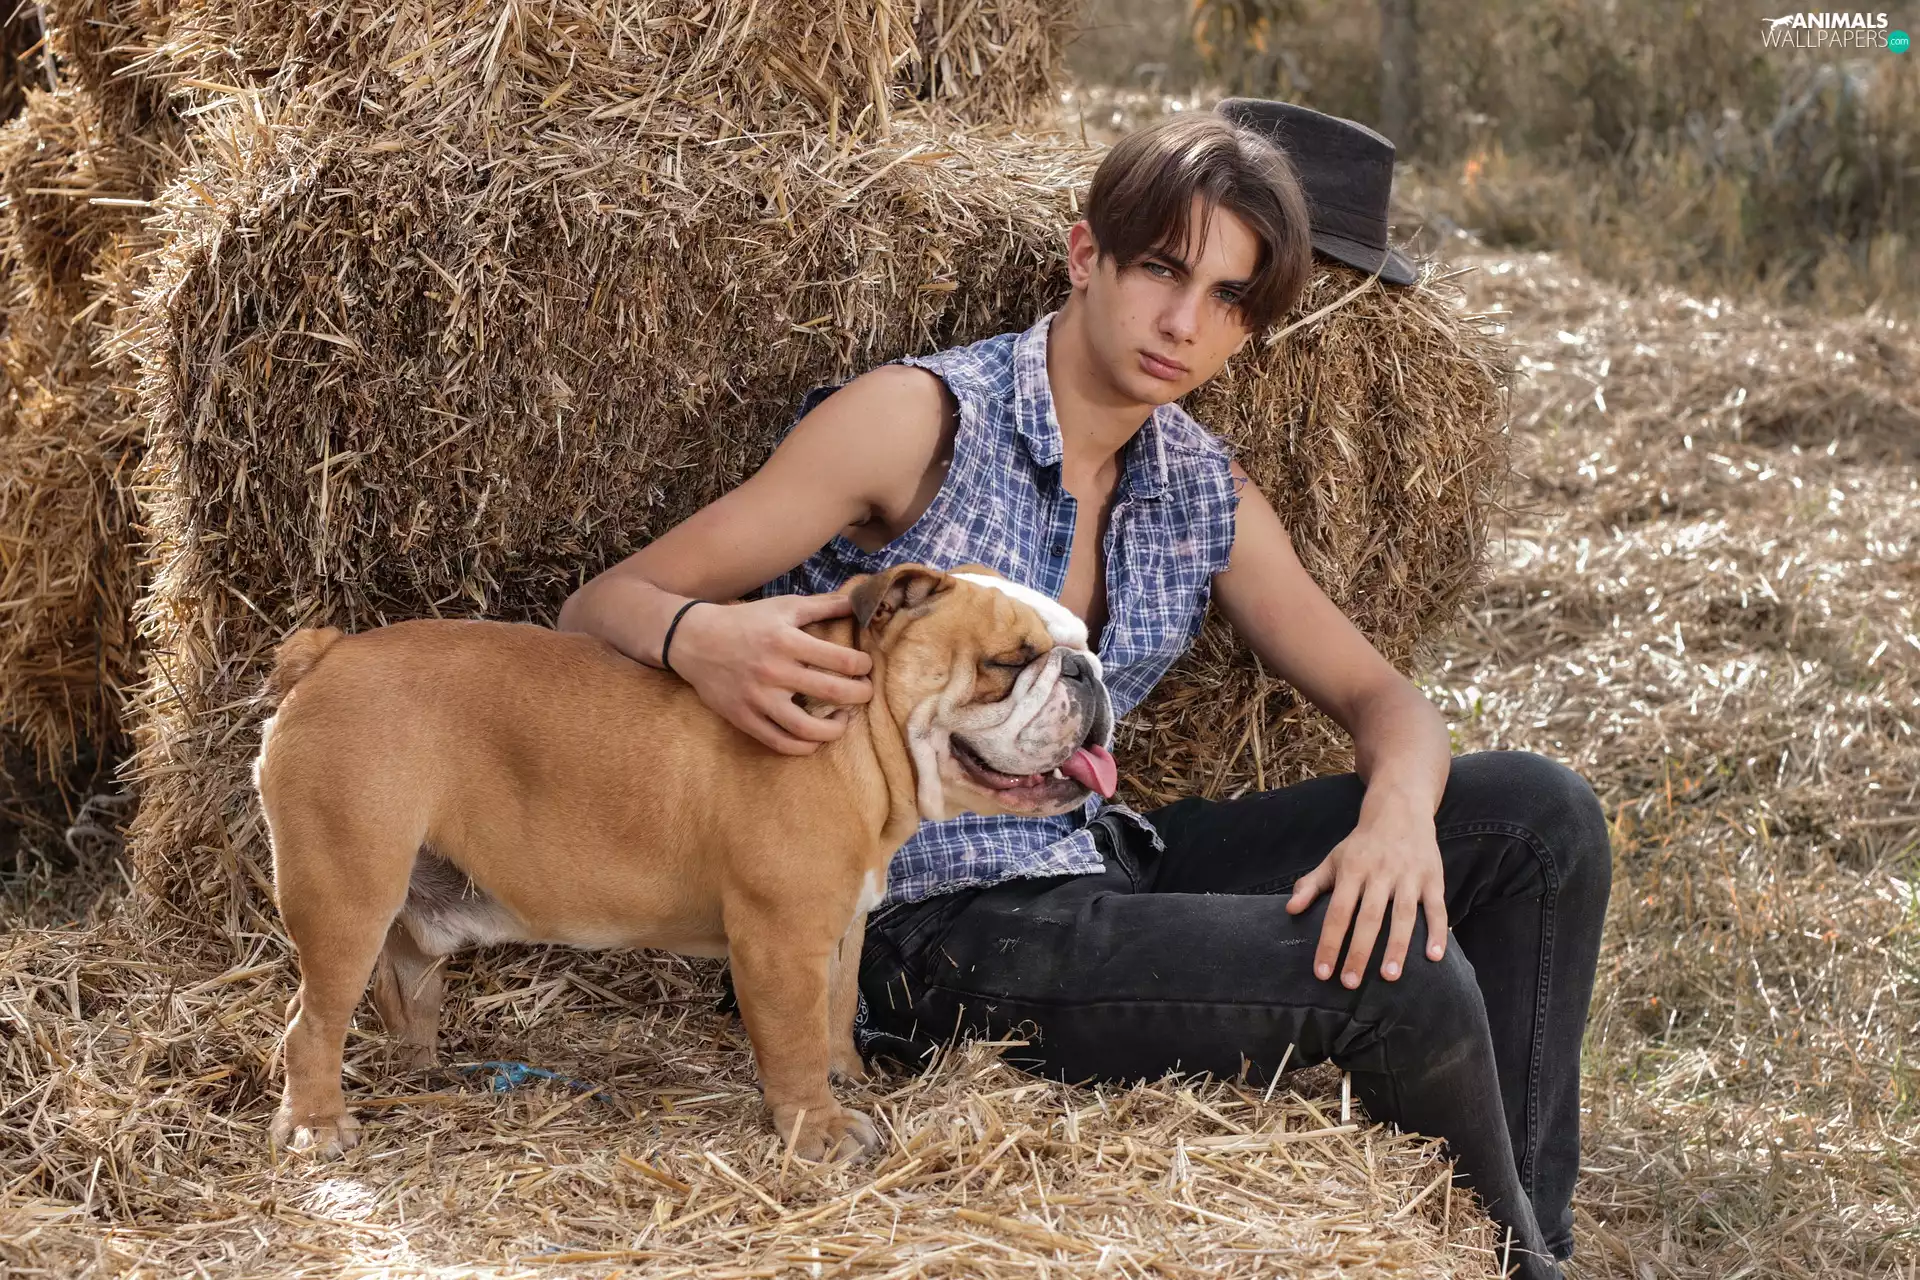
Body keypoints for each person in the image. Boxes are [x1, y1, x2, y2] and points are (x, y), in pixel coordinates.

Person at [557, 112, 1609, 1279]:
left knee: (1538, 819)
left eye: (1227, 297)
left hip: (1096, 856)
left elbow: (1383, 698)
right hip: (922, 922)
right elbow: (604, 601)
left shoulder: (1198, 485)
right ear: (1083, 257)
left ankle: (1533, 1248)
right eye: (1161, 267)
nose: (1181, 322)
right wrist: (701, 635)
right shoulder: (920, 424)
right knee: (1406, 976)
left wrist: (1400, 817)